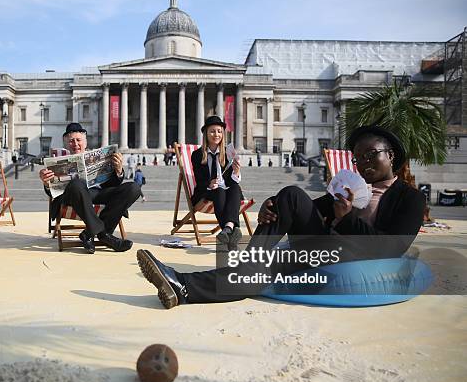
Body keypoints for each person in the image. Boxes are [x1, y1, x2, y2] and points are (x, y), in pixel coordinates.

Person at [137, 125, 425, 309]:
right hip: (323, 245)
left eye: (371, 154)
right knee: (289, 194)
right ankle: (237, 267)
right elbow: (304, 210)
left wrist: (346, 220)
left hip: (354, 255)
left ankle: (184, 286)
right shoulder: (350, 186)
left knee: (275, 265)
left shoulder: (410, 198)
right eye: (357, 157)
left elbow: (392, 248)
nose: (363, 162)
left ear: (392, 156)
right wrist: (272, 208)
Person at [39, 122, 140, 254]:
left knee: (134, 188)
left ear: (85, 142)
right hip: (73, 196)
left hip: (99, 193)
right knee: (77, 183)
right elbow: (52, 192)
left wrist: (119, 169)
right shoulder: (58, 161)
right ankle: (104, 235)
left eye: (78, 140)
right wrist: (46, 183)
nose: (75, 144)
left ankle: (89, 233)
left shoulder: (98, 156)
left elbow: (114, 184)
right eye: (71, 141)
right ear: (66, 144)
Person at [190, 115, 243, 251]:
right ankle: (232, 233)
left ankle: (227, 228)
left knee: (235, 188)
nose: (216, 134)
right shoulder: (197, 155)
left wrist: (236, 172)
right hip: (206, 192)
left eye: (219, 131)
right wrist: (209, 183)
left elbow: (230, 181)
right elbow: (200, 180)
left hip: (227, 190)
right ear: (206, 133)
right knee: (219, 190)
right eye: (212, 131)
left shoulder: (228, 153)